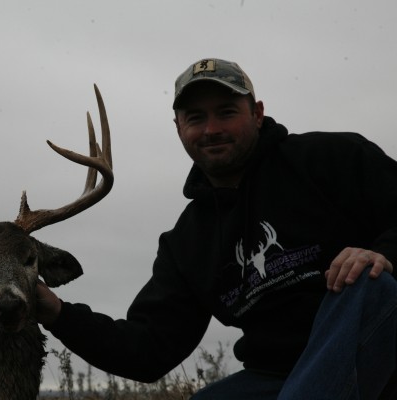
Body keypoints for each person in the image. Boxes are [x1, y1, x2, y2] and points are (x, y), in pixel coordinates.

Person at [36, 58, 397, 399]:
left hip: (377, 349)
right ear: (178, 128)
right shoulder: (188, 242)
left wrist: (383, 251)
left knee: (368, 279)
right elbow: (148, 349)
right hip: (279, 376)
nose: (211, 130)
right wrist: (57, 313)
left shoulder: (331, 159)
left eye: (226, 113)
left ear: (257, 114)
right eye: (196, 118)